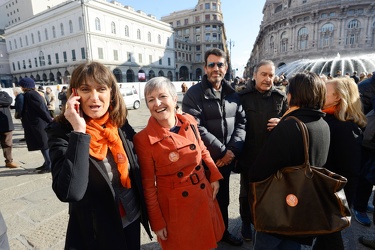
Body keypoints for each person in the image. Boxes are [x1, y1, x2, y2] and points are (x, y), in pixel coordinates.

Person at [45, 61, 152, 249]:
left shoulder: (118, 122)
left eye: (101, 89)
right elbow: (70, 191)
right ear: (75, 94)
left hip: (131, 216)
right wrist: (79, 132)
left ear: (111, 93)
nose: (94, 97)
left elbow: (140, 155)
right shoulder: (61, 131)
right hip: (97, 229)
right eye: (86, 89)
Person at [133, 76, 225, 250]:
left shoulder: (189, 121)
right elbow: (148, 186)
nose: (157, 103)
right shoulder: (143, 139)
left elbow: (202, 148)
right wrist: (157, 222)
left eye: (162, 96)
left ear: (175, 99)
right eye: (151, 100)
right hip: (175, 210)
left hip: (202, 196)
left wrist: (214, 174)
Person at [249, 72, 330, 249]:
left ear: (292, 96)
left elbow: (258, 171)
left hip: (279, 211)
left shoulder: (289, 126)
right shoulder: (323, 124)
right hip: (303, 209)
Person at [182, 48, 246, 246]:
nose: (215, 68)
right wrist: (222, 151)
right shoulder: (194, 93)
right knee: (202, 200)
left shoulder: (233, 94)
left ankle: (223, 231)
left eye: (220, 64)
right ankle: (205, 236)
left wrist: (233, 151)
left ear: (226, 68)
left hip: (225, 160)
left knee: (223, 199)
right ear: (205, 68)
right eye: (211, 65)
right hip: (203, 160)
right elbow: (195, 127)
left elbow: (242, 123)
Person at [237, 60, 288, 241]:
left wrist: (282, 123)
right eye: (264, 75)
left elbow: (291, 121)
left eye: (271, 75)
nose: (268, 79)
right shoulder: (242, 97)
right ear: (255, 75)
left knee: (269, 193)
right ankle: (246, 222)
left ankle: (264, 223)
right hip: (248, 156)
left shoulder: (280, 97)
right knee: (247, 194)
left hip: (271, 157)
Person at [313, 77, 366, 249]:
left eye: (325, 92)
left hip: (332, 199)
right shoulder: (327, 118)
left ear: (337, 97)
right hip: (323, 194)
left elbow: (350, 173)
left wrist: (343, 208)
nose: (320, 95)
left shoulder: (346, 129)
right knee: (325, 239)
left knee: (330, 239)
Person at [352, 71, 375, 227]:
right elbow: (356, 115)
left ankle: (363, 202)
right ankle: (358, 206)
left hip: (371, 137)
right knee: (365, 175)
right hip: (366, 139)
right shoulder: (365, 87)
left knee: (370, 175)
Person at [18, 77, 53, 174]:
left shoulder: (31, 94)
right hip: (36, 123)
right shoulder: (30, 94)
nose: (20, 87)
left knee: (44, 144)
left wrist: (50, 120)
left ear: (26, 86)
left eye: (21, 86)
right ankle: (46, 163)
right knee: (41, 144)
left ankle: (50, 165)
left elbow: (41, 109)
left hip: (39, 124)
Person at [0, 86, 18, 168]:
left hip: (6, 124)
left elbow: (9, 101)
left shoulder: (4, 93)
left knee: (8, 143)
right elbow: (5, 102)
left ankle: (9, 161)